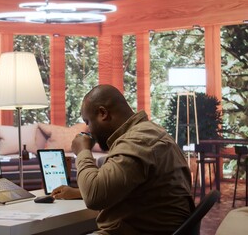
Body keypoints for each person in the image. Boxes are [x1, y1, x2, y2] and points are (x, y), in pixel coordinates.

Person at [51, 84, 194, 235]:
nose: (89, 130)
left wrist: (82, 152)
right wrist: (79, 192)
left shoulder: (137, 141)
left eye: (88, 122)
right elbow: (137, 187)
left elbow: (95, 197)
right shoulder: (149, 132)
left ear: (102, 113)